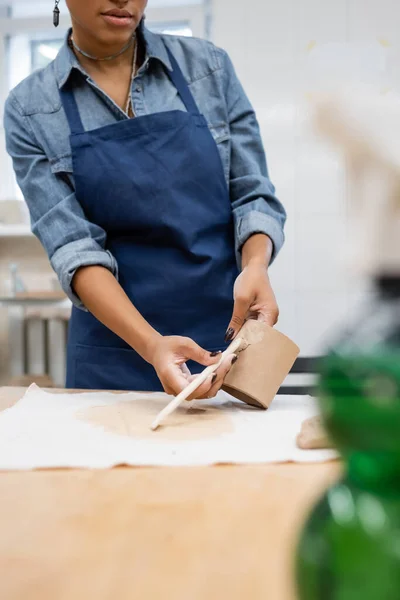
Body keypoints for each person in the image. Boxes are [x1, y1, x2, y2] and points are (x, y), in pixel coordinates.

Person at [4, 0, 286, 398]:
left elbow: (252, 192)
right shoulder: (30, 109)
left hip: (225, 346)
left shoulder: (208, 68)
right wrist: (152, 345)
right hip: (113, 355)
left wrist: (256, 265)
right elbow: (73, 247)